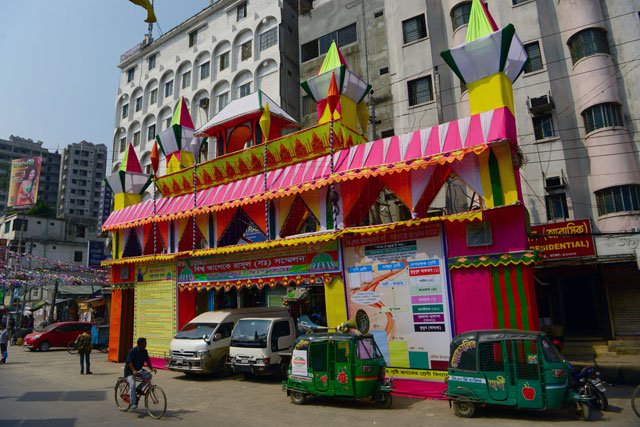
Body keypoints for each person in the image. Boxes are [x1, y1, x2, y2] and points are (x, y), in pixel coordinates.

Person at [124, 337, 157, 410]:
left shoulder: (144, 351)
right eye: (145, 342)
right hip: (129, 372)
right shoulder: (132, 351)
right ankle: (133, 402)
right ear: (141, 344)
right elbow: (129, 362)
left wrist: (152, 368)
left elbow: (147, 360)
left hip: (138, 371)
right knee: (132, 384)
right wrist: (133, 371)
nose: (146, 344)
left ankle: (138, 389)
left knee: (149, 376)